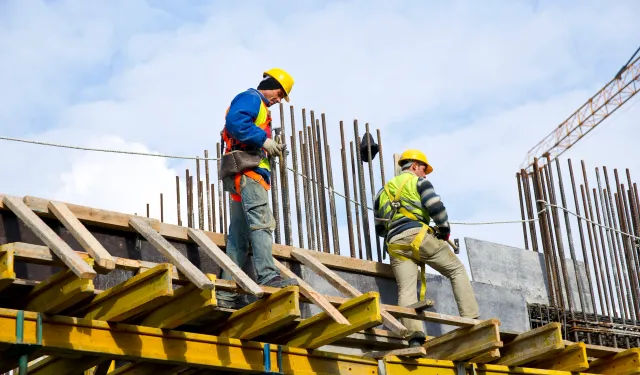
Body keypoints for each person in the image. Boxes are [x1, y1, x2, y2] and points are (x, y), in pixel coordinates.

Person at [373, 149, 479, 347]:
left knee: (406, 290)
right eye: (423, 169)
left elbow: (380, 228)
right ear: (414, 166)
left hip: (395, 244)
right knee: (456, 270)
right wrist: (444, 230)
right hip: (419, 236)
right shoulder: (419, 182)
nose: (425, 174)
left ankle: (414, 337)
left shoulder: (382, 192)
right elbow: (436, 208)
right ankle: (472, 320)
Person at [217, 68, 299, 309]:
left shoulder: (259, 106)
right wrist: (263, 141)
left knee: (239, 238)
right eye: (280, 93)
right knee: (262, 223)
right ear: (271, 84)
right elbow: (235, 122)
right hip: (249, 174)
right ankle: (268, 275)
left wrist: (267, 145)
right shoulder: (252, 98)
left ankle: (226, 293)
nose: (279, 99)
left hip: (241, 175)